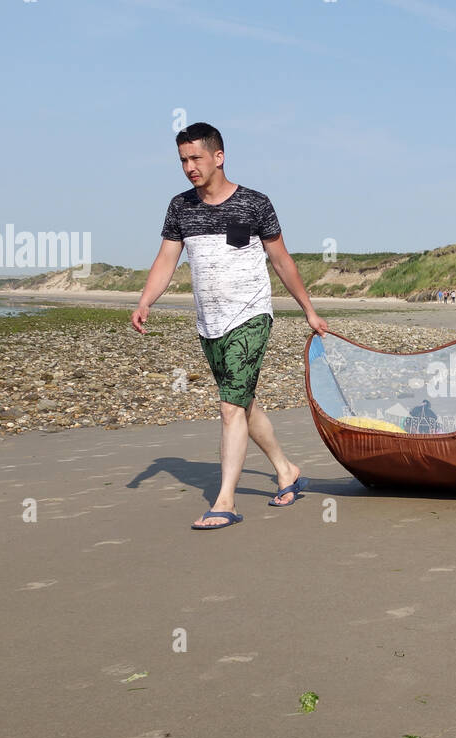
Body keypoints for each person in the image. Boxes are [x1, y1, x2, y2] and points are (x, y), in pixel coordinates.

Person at [131, 122, 328, 530]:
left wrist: (308, 309)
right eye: (183, 160)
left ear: (218, 157)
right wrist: (146, 300)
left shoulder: (255, 204)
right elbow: (166, 259)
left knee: (228, 407)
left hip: (251, 316)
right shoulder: (180, 207)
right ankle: (286, 469)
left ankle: (224, 502)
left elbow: (282, 260)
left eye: (196, 158)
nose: (189, 167)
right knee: (241, 401)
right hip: (210, 322)